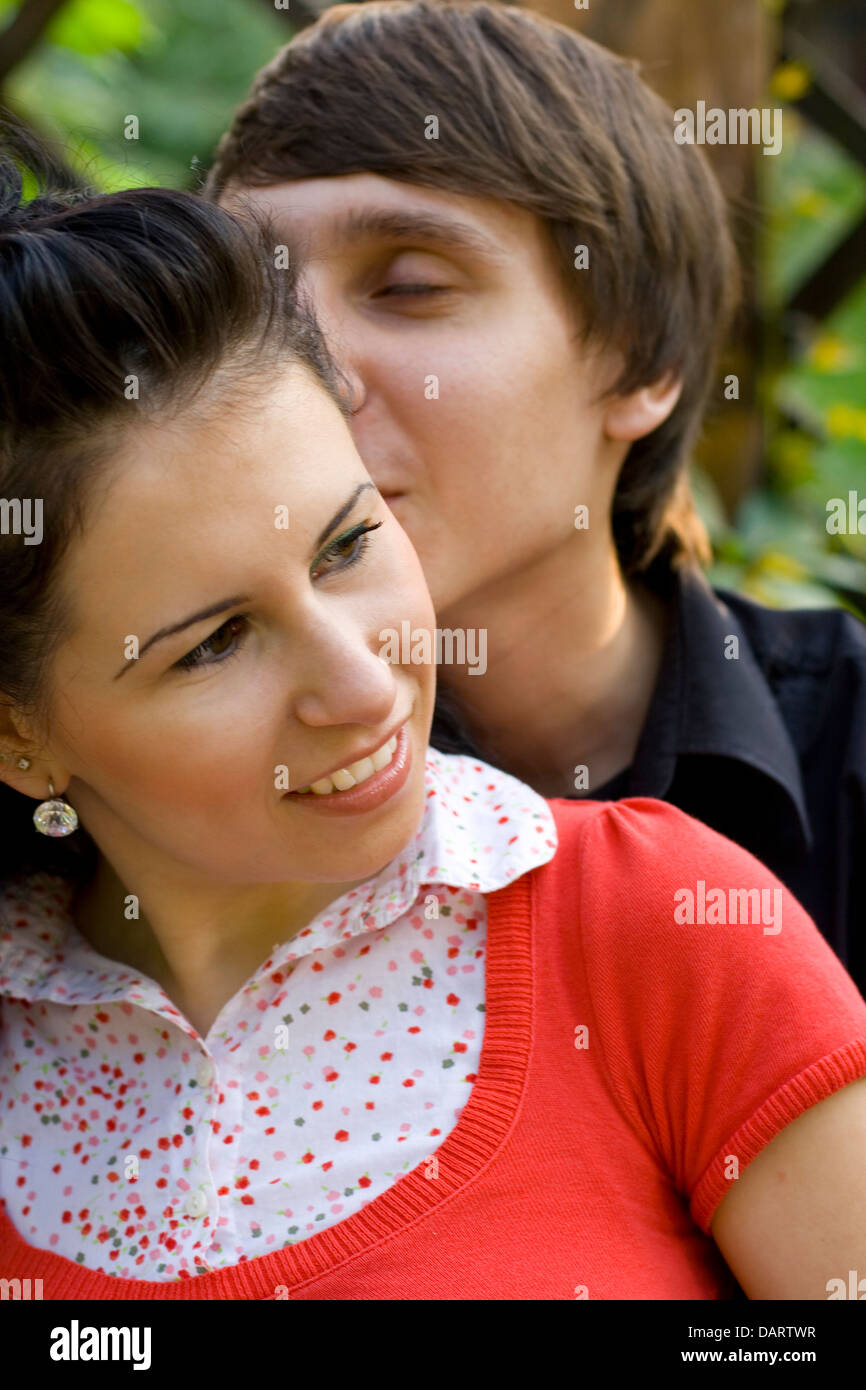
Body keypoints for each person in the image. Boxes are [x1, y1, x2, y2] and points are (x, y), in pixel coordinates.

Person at [1, 154, 866, 1303]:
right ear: (21, 738)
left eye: (346, 545)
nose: (360, 685)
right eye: (213, 643)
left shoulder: (662, 931)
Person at [205, 0, 866, 997]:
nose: (304, 372)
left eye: (409, 285)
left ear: (645, 363)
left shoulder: (848, 751)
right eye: (253, 298)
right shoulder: (159, 792)